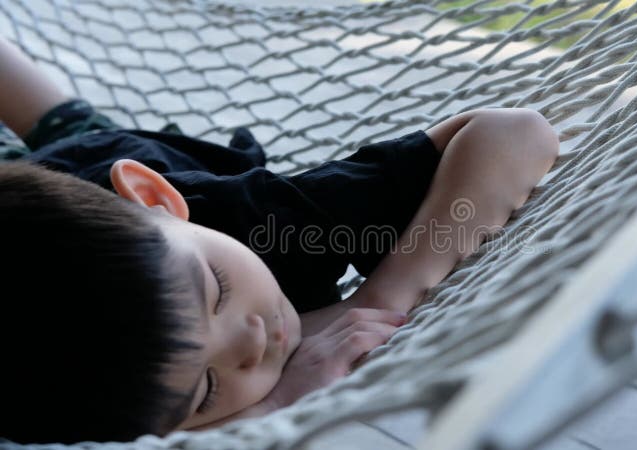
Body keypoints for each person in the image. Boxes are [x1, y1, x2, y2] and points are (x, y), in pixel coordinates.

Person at [0, 36, 559, 444]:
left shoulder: (269, 224)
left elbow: (515, 133)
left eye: (215, 290)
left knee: (65, 124)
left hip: (96, 162)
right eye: (206, 392)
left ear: (159, 201)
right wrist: (276, 400)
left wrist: (373, 301)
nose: (249, 342)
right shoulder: (92, 404)